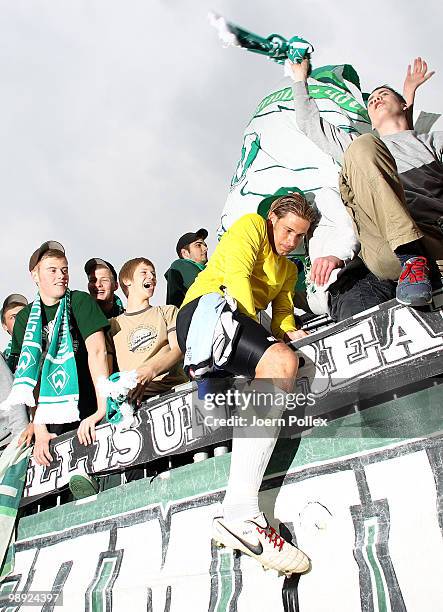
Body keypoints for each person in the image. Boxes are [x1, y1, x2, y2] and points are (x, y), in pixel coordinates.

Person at [176, 194, 315, 575]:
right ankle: (241, 513)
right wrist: (269, 354)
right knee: (279, 361)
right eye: (287, 230)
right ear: (272, 219)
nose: (290, 242)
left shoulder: (288, 269)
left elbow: (283, 318)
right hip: (206, 310)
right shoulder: (251, 227)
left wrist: (294, 334)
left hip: (236, 322)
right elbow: (237, 280)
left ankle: (213, 383)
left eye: (299, 237)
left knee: (287, 361)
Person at [290, 56, 442, 313]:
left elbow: (407, 135)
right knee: (361, 148)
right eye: (371, 101)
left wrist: (409, 97)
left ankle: (416, 259)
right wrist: (299, 78)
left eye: (382, 95)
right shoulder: (363, 146)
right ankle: (410, 256)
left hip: (433, 239)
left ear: (404, 105)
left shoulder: (431, 141)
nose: (376, 99)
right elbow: (310, 124)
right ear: (370, 121)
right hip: (388, 250)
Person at [7, 241, 110, 467]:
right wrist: (40, 427)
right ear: (35, 275)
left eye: (64, 270)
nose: (61, 276)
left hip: (87, 403)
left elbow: (98, 352)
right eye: (52, 270)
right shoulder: (25, 318)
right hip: (50, 413)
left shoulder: (80, 301)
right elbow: (30, 372)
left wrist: (102, 409)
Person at [109, 257, 187, 404]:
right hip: (136, 400)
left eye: (153, 274)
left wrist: (150, 370)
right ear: (127, 280)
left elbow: (178, 350)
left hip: (174, 392)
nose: (151, 277)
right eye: (144, 272)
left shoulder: (167, 312)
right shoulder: (113, 324)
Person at [164, 229, 208, 308]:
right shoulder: (180, 264)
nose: (205, 248)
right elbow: (205, 289)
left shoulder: (206, 270)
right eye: (198, 245)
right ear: (185, 253)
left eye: (205, 245)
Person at [1, 294, 28, 370]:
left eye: (24, 315)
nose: (21, 320)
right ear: (4, 326)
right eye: (14, 317)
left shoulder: (49, 345)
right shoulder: (3, 362)